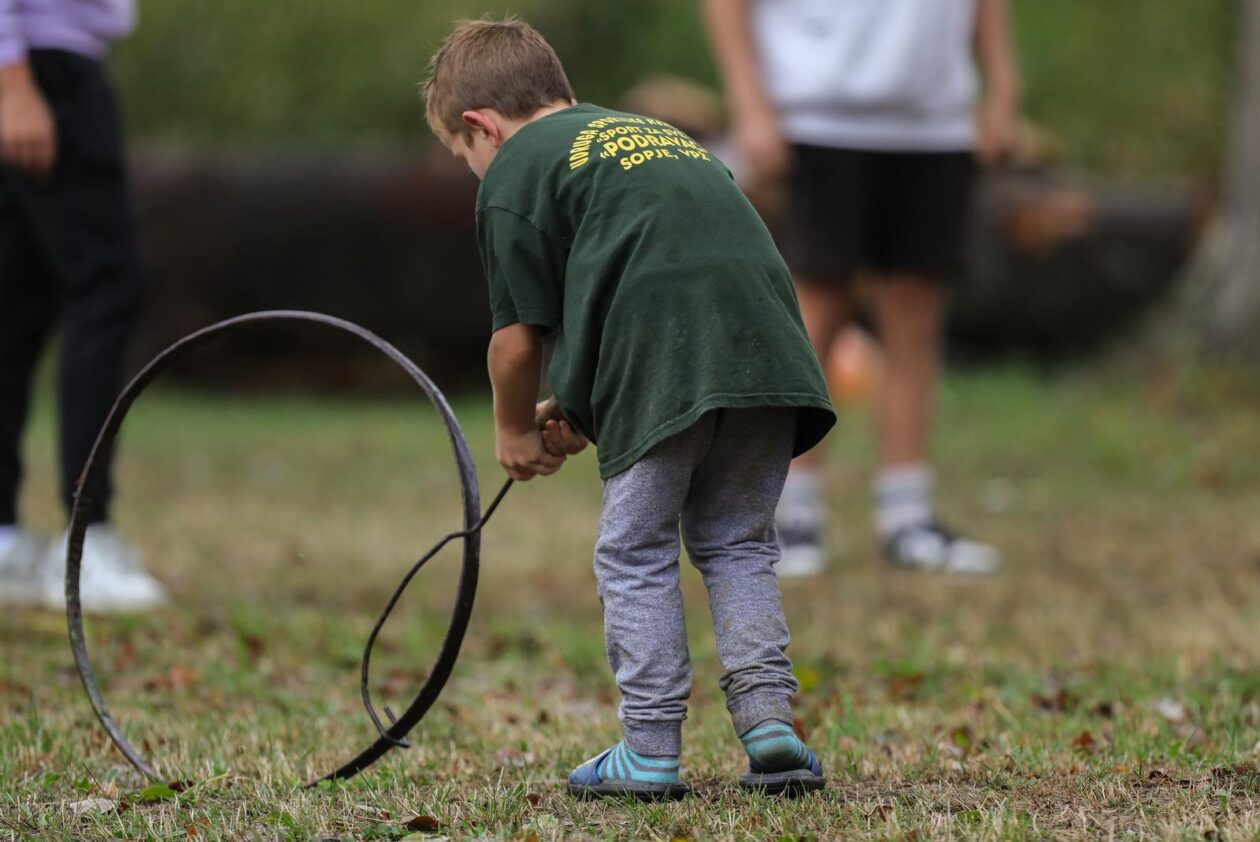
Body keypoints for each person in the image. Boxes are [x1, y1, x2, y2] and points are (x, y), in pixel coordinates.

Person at [423, 19, 836, 799]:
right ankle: (770, 726)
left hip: (668, 356)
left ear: (481, 127)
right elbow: (653, 278)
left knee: (634, 548)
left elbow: (516, 343)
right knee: (738, 541)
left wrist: (514, 428)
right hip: (767, 352)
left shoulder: (516, 172)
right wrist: (579, 407)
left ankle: (648, 750)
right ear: (564, 95)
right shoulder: (648, 136)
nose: (476, 174)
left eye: (464, 159)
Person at [704, 0, 1020, 576]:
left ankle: (908, 515)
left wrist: (1001, 86)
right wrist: (750, 102)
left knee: (916, 314)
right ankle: (789, 515)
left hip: (936, 121)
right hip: (820, 113)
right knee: (814, 312)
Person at [0, 0, 165, 612]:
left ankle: (4, 542)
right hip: (45, 71)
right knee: (108, 286)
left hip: (40, 66)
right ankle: (86, 541)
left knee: (14, 305)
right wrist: (13, 80)